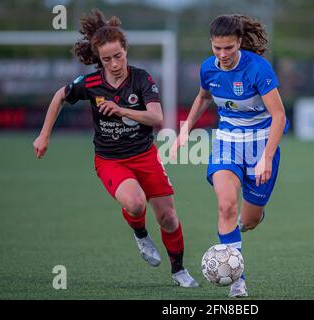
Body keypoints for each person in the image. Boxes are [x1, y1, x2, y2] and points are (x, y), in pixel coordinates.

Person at [33, 9, 198, 288]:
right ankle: (141, 235)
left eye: (118, 56)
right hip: (110, 160)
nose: (114, 63)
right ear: (99, 59)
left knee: (168, 217)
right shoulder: (92, 83)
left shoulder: (142, 79)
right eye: (106, 59)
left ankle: (178, 270)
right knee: (134, 203)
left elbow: (157, 117)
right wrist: (43, 135)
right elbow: (59, 97)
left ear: (126, 51)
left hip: (145, 156)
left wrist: (123, 110)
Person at [171, 14, 289, 297]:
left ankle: (244, 225)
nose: (222, 55)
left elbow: (279, 115)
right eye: (217, 48)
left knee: (247, 220)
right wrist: (186, 129)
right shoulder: (208, 69)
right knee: (226, 206)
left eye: (229, 48)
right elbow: (203, 97)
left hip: (261, 145)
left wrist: (266, 157)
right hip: (227, 142)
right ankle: (238, 281)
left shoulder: (258, 69)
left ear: (239, 44)